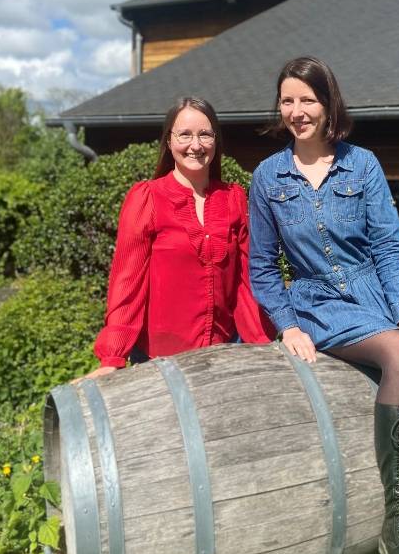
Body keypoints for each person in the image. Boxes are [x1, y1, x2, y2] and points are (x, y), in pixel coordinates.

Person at [249, 57, 399, 554]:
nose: (296, 111)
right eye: (287, 101)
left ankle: (391, 454)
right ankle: (398, 521)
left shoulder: (363, 165)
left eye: (307, 100)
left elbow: (390, 248)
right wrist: (288, 324)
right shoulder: (268, 177)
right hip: (317, 301)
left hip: (375, 292)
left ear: (328, 103)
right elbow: (262, 267)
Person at [87, 96, 274, 376]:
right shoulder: (147, 198)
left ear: (216, 141)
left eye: (205, 134)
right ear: (168, 141)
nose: (195, 145)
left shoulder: (233, 198)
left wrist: (261, 344)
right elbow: (127, 284)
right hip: (158, 363)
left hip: (221, 355)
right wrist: (113, 357)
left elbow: (246, 281)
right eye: (185, 134)